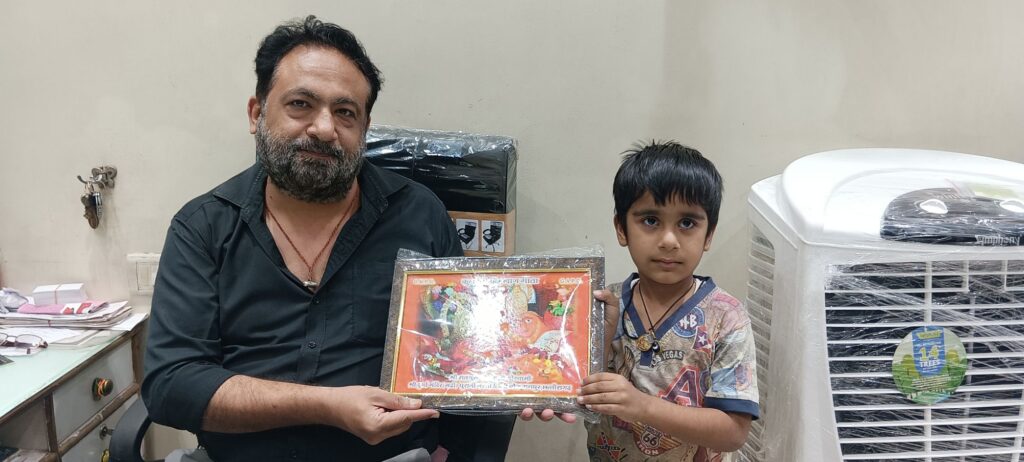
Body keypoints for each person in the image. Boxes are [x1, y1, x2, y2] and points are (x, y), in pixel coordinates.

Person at [142, 16, 513, 462]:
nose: (323, 128)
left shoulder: (420, 216)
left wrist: (530, 381)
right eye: (300, 104)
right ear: (257, 114)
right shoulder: (203, 227)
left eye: (345, 112)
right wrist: (328, 406)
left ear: (364, 127)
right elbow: (171, 385)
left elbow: (465, 357)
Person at [578, 141, 759, 461]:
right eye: (650, 220)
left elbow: (734, 432)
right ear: (621, 228)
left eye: (687, 223)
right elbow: (574, 391)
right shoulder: (602, 306)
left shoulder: (726, 317)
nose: (669, 241)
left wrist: (642, 406)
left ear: (709, 235)